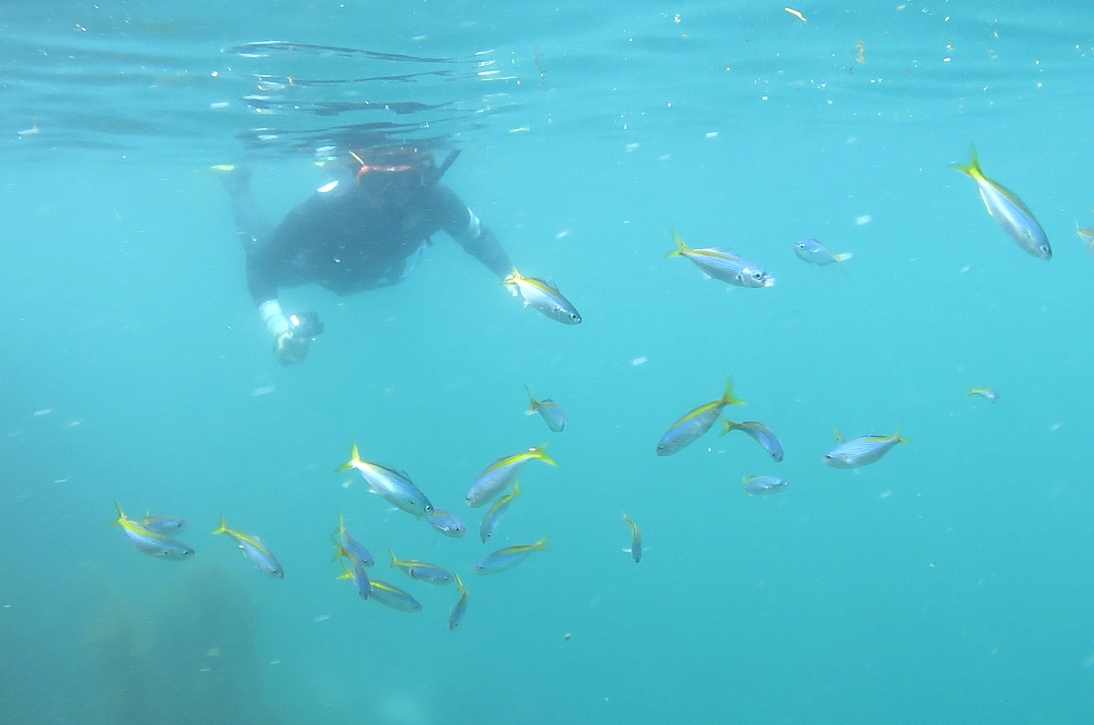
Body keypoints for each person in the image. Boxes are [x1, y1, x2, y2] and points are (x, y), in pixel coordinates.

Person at [216, 146, 513, 364]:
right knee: (260, 247)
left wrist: (513, 279)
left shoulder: (437, 200)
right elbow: (260, 266)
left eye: (405, 183)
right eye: (376, 183)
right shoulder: (326, 205)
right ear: (358, 177)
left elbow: (477, 236)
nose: (391, 195)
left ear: (421, 178)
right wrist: (280, 331)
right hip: (314, 268)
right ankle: (237, 185)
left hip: (379, 271)